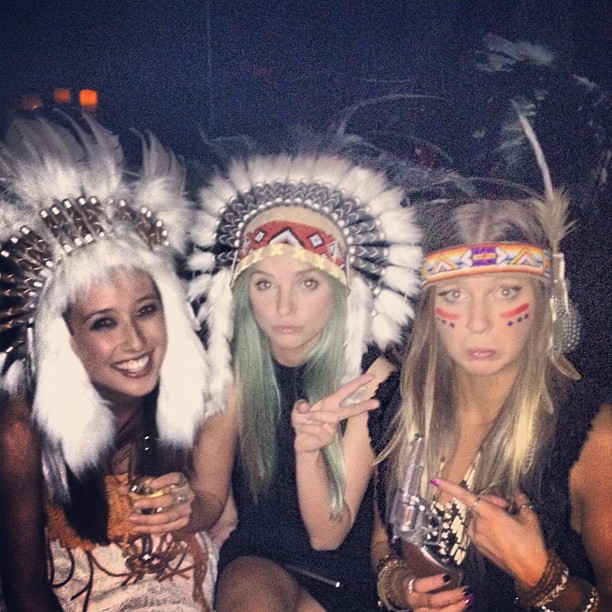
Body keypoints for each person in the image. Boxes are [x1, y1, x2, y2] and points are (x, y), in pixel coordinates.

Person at [0, 115, 235, 611]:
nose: (136, 342)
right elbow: (25, 592)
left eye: (146, 311)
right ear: (62, 339)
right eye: (103, 323)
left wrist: (189, 506)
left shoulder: (200, 393)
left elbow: (213, 506)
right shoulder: (21, 433)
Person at [187, 149, 422, 611]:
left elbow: (328, 535)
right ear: (244, 291)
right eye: (264, 284)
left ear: (339, 290)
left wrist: (309, 451)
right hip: (257, 559)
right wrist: (180, 510)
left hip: (346, 574)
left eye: (308, 283)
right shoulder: (233, 369)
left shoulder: (373, 378)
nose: (284, 307)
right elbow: (209, 494)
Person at [372, 173, 612, 609]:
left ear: (546, 300)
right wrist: (401, 588)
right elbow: (382, 543)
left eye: (505, 291)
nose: (478, 322)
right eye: (454, 294)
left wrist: (541, 577)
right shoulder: (404, 409)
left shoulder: (594, 441)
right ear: (430, 309)